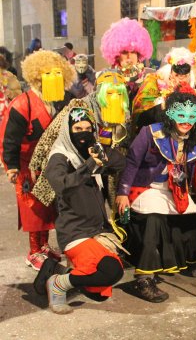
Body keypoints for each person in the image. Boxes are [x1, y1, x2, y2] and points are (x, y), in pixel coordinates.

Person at [116, 84, 196, 302]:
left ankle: (162, 267)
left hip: (176, 192)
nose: (186, 120)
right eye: (180, 114)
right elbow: (132, 162)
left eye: (191, 116)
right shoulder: (150, 132)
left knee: (191, 224)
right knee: (153, 221)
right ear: (170, 114)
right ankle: (143, 278)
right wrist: (123, 192)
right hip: (146, 189)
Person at [35, 107, 126, 314]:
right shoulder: (60, 156)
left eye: (87, 128)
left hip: (96, 229)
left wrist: (103, 149)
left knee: (98, 292)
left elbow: (121, 163)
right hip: (74, 231)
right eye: (77, 128)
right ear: (68, 131)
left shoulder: (88, 150)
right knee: (112, 271)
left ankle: (61, 271)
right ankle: (59, 283)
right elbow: (61, 184)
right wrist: (89, 165)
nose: (83, 133)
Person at [0, 50, 75, 270]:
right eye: (48, 73)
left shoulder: (59, 100)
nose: (53, 78)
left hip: (50, 165)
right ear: (37, 76)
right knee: (32, 208)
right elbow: (9, 140)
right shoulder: (23, 104)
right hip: (26, 166)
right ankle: (33, 251)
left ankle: (43, 246)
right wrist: (11, 167)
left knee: (47, 207)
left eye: (57, 73)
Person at [100, 17, 153, 98]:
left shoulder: (149, 77)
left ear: (138, 54)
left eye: (132, 52)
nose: (129, 57)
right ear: (117, 56)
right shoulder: (107, 77)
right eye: (124, 52)